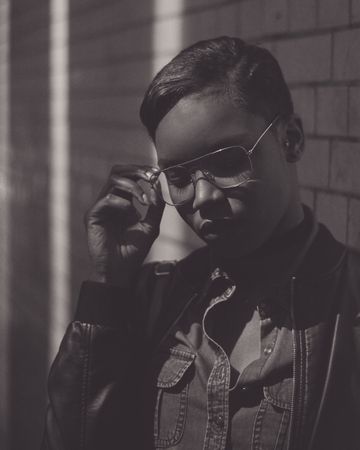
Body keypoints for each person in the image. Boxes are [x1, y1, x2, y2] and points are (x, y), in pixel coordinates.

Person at [42, 36, 360, 450]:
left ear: (291, 140)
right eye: (178, 176)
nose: (203, 197)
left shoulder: (349, 305)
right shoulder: (158, 301)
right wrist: (109, 285)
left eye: (228, 162)